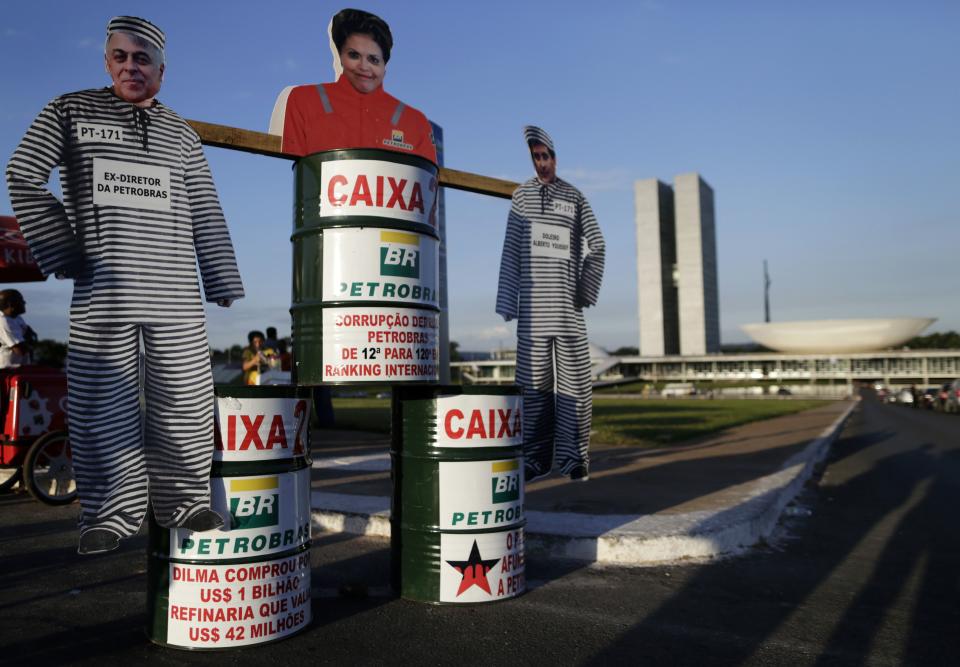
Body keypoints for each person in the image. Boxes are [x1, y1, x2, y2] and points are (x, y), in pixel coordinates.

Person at [5, 16, 245, 555]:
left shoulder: (181, 132)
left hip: (176, 293)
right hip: (104, 291)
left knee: (184, 402)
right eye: (121, 57)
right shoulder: (70, 111)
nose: (131, 67)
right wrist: (62, 249)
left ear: (163, 70)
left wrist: (221, 276)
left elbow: (205, 207)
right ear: (107, 62)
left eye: (143, 59)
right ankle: (108, 513)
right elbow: (22, 172)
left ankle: (185, 502)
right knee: (99, 405)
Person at [495, 126, 605, 482]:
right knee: (533, 391)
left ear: (555, 157)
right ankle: (536, 460)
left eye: (546, 156)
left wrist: (584, 292)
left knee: (576, 389)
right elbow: (511, 250)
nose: (541, 162)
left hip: (569, 314)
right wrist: (508, 301)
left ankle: (574, 460)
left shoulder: (575, 197)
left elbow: (598, 244)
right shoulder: (522, 197)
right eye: (535, 157)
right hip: (532, 315)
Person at [269, 8, 437, 163]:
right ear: (340, 56)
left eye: (373, 59)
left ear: (384, 66)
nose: (364, 66)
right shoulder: (302, 100)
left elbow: (428, 185)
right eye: (354, 55)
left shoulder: (416, 122)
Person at [0, 290, 35, 368]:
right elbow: (20, 349)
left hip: (19, 368)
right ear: (10, 304)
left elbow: (30, 337)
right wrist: (28, 343)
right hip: (7, 370)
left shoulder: (16, 317)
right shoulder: (3, 321)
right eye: (21, 300)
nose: (24, 303)